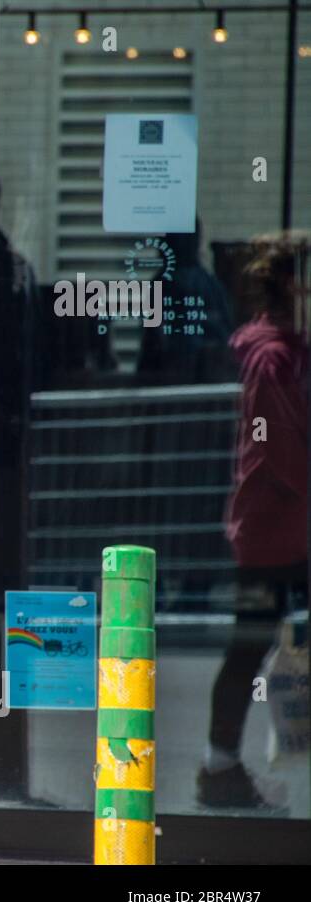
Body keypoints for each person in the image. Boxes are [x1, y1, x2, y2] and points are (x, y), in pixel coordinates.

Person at [199, 231, 309, 811]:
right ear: (291, 285)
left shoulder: (288, 351)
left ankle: (220, 766)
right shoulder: (274, 358)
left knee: (253, 645)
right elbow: (276, 446)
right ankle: (218, 767)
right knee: (249, 646)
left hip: (283, 525)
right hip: (275, 529)